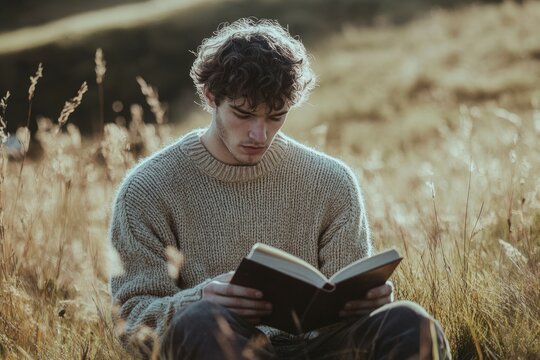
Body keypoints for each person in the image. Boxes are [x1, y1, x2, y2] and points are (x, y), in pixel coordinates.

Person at [108, 18, 451, 359]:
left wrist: (368, 304)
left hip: (321, 350)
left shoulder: (330, 180)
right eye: (243, 114)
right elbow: (133, 319)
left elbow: (346, 312)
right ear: (210, 97)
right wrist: (197, 300)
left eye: (276, 117)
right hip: (228, 348)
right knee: (199, 322)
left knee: (410, 323)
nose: (259, 135)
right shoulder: (148, 189)